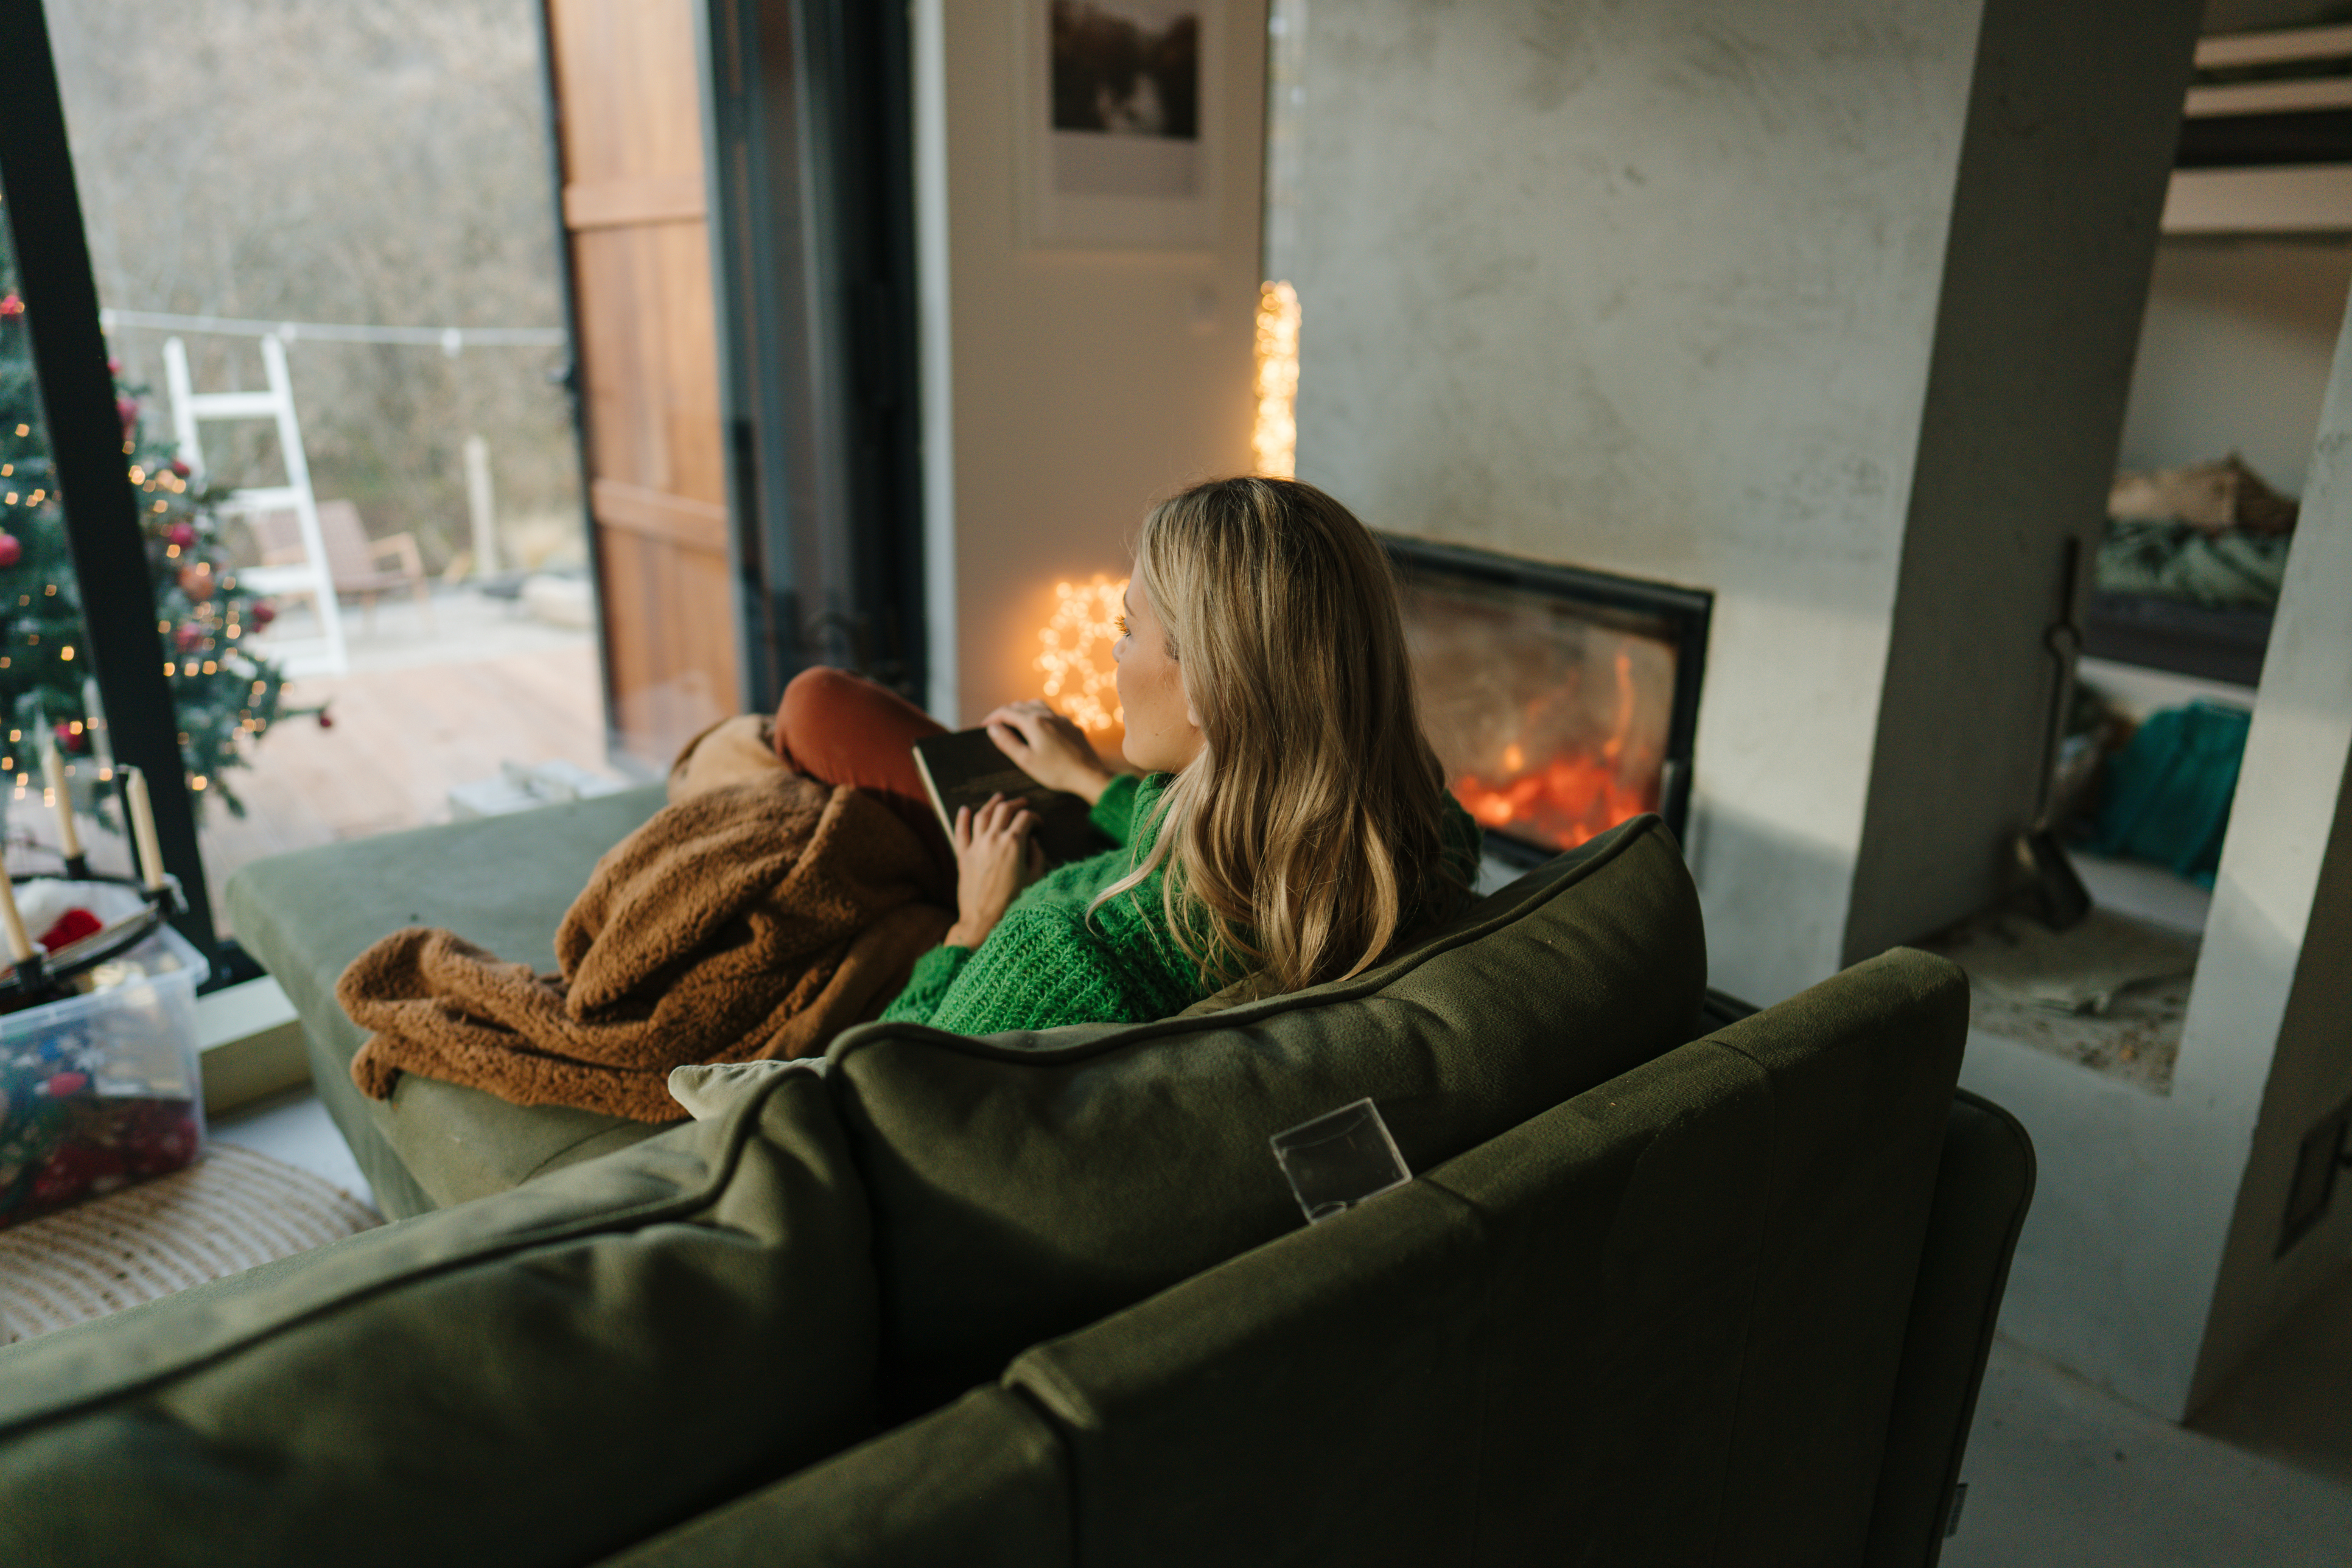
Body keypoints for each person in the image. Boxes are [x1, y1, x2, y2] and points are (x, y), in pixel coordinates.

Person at [769, 475, 1482, 1034]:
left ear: (1213, 688)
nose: (1113, 649)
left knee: (811, 712)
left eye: (1127, 628)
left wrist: (971, 923)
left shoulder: (1062, 953)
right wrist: (1090, 780)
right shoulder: (1426, 840)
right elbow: (1232, 853)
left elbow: (877, 1086)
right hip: (1112, 846)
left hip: (975, 912)